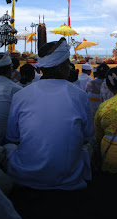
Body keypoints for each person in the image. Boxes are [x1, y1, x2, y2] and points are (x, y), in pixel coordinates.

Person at [6, 38, 94, 190]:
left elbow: (13, 137)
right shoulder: (79, 95)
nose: (70, 68)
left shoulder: (20, 95)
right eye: (67, 63)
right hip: (70, 178)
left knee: (8, 148)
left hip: (24, 176)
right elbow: (88, 136)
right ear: (62, 66)